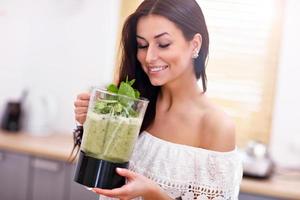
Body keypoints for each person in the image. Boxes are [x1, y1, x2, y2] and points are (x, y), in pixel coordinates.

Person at [74, 0, 243, 199]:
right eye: (142, 45)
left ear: (195, 45)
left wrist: (152, 193)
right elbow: (101, 180)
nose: (149, 57)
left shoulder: (215, 126)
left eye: (163, 44)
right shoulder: (132, 101)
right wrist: (93, 127)